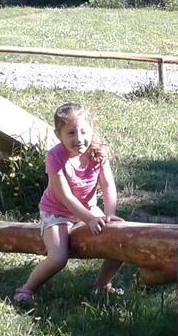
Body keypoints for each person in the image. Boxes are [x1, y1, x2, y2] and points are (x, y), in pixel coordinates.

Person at [13, 103, 124, 303]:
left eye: (83, 131)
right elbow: (65, 196)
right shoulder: (55, 156)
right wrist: (89, 219)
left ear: (91, 129)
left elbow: (108, 186)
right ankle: (26, 289)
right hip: (57, 212)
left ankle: (103, 285)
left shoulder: (97, 152)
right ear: (59, 135)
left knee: (120, 238)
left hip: (88, 208)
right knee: (58, 258)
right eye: (71, 133)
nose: (79, 138)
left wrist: (109, 213)